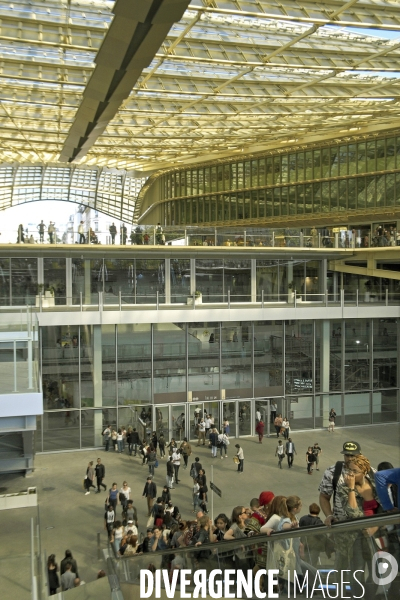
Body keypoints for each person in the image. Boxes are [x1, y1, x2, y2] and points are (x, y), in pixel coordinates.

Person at [318, 440, 364, 525]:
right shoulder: (332, 472)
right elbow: (324, 497)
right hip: (340, 524)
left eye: (353, 455)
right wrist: (329, 515)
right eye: (347, 455)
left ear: (360, 455)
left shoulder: (369, 472)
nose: (350, 458)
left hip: (365, 523)